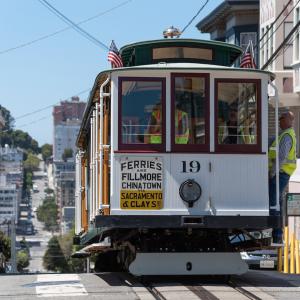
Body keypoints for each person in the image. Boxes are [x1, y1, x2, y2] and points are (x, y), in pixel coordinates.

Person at [268, 111, 297, 242]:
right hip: (281, 173)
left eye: (282, 118)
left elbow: (280, 158)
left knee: (274, 203)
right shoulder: (283, 135)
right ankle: (277, 234)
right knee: (276, 202)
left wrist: (273, 172)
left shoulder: (286, 136)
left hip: (280, 173)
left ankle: (277, 235)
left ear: (289, 120)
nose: (279, 121)